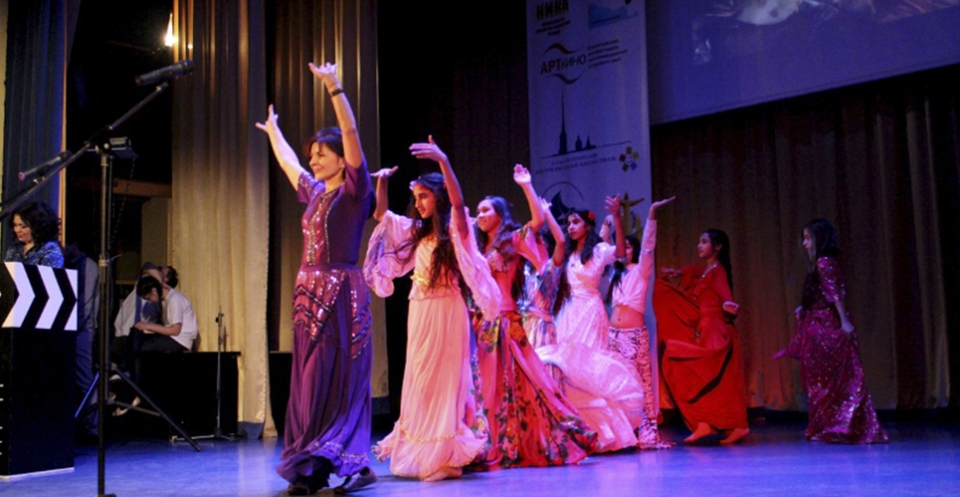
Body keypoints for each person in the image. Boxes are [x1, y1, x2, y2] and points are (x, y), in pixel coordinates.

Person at [256, 61, 375, 495]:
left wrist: (335, 87)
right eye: (313, 154)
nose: (314, 159)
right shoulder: (315, 193)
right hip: (308, 297)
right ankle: (308, 462)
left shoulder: (354, 192)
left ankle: (330, 461)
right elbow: (290, 165)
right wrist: (274, 134)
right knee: (308, 382)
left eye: (322, 153)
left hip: (340, 295)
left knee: (332, 377)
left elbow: (351, 134)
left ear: (343, 160)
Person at [364, 137, 499, 481]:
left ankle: (444, 457)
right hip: (419, 310)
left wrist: (443, 161)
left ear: (437, 197)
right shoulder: (417, 232)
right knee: (420, 380)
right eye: (416, 197)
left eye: (424, 196)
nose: (418, 203)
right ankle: (427, 452)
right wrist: (382, 182)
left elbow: (459, 202)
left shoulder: (455, 232)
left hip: (447, 311)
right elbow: (381, 215)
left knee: (444, 382)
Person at [470, 168, 598, 468]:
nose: (480, 215)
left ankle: (510, 442)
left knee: (522, 383)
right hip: (480, 323)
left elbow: (538, 222)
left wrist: (526, 186)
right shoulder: (478, 247)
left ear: (500, 215)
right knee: (486, 386)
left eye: (486, 210)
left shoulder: (512, 241)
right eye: (478, 211)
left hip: (505, 322)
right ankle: (486, 442)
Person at [541, 199, 645, 452]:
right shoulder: (567, 254)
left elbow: (619, 252)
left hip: (589, 312)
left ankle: (602, 433)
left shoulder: (598, 251)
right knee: (568, 370)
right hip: (567, 312)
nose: (571, 227)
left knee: (590, 371)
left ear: (588, 225)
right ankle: (575, 432)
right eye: (568, 223)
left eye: (576, 222)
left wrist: (617, 217)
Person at [774, 219, 888, 444]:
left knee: (831, 381)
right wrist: (805, 309)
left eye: (808, 238)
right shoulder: (821, 263)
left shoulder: (825, 263)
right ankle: (830, 426)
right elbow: (824, 294)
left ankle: (839, 427)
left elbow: (836, 293)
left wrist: (844, 321)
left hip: (825, 328)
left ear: (820, 239)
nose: (805, 244)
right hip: (818, 326)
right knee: (823, 382)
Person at [654, 229, 749, 444]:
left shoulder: (718, 272)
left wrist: (729, 306)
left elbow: (726, 296)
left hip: (716, 329)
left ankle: (720, 424)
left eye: (704, 242)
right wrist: (677, 272)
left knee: (708, 378)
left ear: (717, 247)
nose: (699, 246)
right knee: (718, 381)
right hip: (707, 328)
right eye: (699, 242)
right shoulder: (708, 270)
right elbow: (695, 271)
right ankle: (725, 424)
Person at [605, 197, 676, 449]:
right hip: (613, 336)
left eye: (628, 247)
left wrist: (652, 213)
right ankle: (622, 435)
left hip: (633, 336)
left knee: (640, 383)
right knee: (615, 384)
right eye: (621, 248)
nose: (623, 251)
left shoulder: (641, 270)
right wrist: (610, 222)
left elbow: (648, 246)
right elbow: (607, 247)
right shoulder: (615, 273)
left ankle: (646, 434)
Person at [5, 201, 64, 267]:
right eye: (15, 225)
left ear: (37, 227)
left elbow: (48, 272)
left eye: (23, 226)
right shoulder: (14, 249)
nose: (17, 230)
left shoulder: (50, 250)